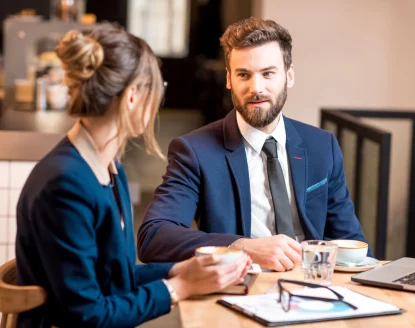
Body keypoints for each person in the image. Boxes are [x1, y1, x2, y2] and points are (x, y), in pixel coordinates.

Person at [15, 24, 251, 328]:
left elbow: (115, 278)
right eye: (158, 87)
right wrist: (181, 287)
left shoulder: (108, 166)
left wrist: (181, 270)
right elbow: (87, 315)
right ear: (132, 96)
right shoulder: (65, 184)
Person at [137, 17, 371, 272]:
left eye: (268, 73)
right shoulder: (195, 151)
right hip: (241, 288)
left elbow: (352, 243)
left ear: (289, 76)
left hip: (315, 288)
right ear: (229, 80)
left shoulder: (322, 146)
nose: (256, 88)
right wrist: (241, 247)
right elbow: (154, 237)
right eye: (243, 75)